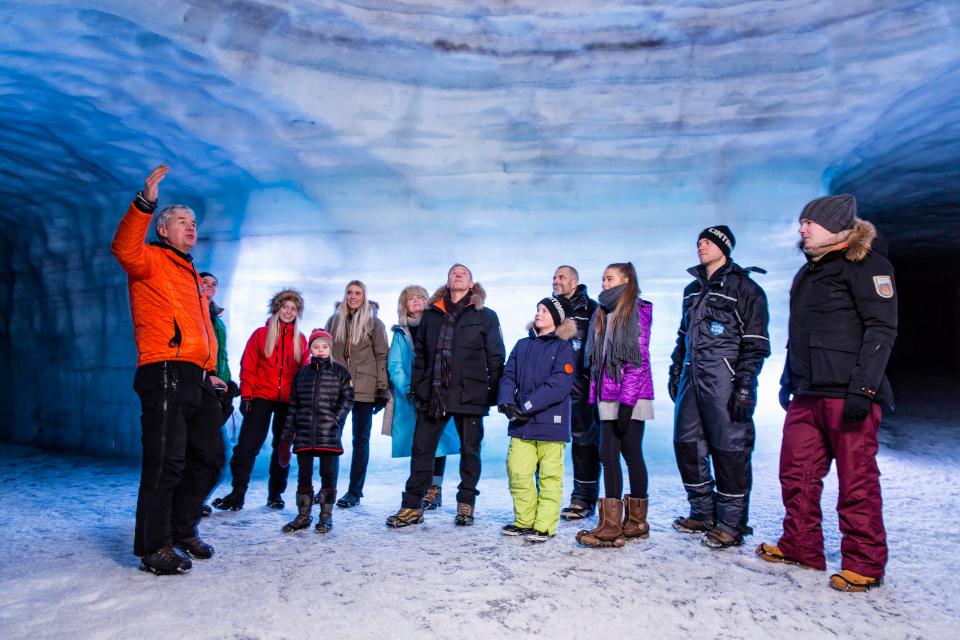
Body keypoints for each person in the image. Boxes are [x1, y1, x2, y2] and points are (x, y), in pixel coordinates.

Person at [757, 195, 897, 593]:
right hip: (808, 392)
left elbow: (881, 329)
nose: (802, 229)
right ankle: (801, 546)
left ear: (836, 227)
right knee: (796, 474)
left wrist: (864, 387)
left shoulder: (867, 266)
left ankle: (865, 563)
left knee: (857, 481)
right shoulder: (809, 273)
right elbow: (799, 335)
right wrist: (788, 378)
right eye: (802, 222)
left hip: (848, 393)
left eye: (809, 223)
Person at [112, 164, 224, 575]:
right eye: (181, 221)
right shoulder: (151, 259)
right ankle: (154, 546)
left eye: (193, 222)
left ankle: (181, 527)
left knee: (209, 457)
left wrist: (211, 368)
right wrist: (146, 202)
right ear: (163, 229)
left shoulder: (190, 272)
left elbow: (201, 329)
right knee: (166, 461)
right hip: (163, 370)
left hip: (196, 376)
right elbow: (123, 247)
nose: (190, 227)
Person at [668, 226, 771, 549]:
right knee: (687, 445)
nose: (701, 246)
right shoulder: (691, 290)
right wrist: (675, 371)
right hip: (692, 379)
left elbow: (755, 344)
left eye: (708, 242)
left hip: (724, 381)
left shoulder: (746, 289)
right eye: (698, 241)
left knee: (730, 449)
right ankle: (702, 512)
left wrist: (745, 385)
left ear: (725, 247)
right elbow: (682, 337)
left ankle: (731, 523)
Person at [387, 264, 505, 528]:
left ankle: (466, 504)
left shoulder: (485, 315)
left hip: (470, 394)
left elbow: (496, 356)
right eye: (454, 272)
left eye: (463, 273)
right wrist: (418, 391)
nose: (458, 275)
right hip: (434, 394)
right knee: (422, 450)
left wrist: (493, 393)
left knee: (470, 451)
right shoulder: (432, 315)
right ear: (448, 281)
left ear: (472, 284)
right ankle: (412, 506)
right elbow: (421, 356)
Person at [576, 263, 654, 548]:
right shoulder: (602, 312)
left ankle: (635, 522)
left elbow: (638, 359)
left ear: (626, 279)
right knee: (608, 455)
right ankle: (612, 523)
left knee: (631, 453)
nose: (605, 283)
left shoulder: (639, 309)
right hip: (607, 394)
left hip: (630, 395)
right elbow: (597, 360)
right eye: (603, 279)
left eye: (610, 278)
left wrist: (626, 403)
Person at [212, 289, 308, 511]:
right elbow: (248, 366)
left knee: (282, 447)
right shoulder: (260, 335)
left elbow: (303, 372)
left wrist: (301, 402)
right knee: (247, 447)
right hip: (261, 397)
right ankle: (237, 493)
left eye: (293, 309)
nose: (288, 312)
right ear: (277, 308)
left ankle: (275, 495)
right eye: (285, 307)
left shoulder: (300, 340)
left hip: (288, 401)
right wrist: (247, 395)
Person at [498, 296, 576, 542]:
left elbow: (559, 384)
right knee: (518, 472)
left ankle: (544, 525)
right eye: (538, 309)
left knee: (549, 476)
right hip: (522, 423)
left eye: (544, 310)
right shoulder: (522, 345)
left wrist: (526, 406)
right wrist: (507, 403)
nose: (539, 313)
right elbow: (508, 375)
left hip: (551, 423)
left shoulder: (564, 347)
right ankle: (524, 520)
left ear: (557, 317)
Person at [382, 285, 460, 510]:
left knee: (440, 441)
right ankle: (420, 488)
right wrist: (409, 388)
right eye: (411, 298)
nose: (416, 300)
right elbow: (395, 365)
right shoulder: (400, 333)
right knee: (420, 444)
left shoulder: (439, 325)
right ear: (404, 305)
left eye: (420, 297)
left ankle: (435, 489)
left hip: (436, 392)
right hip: (410, 396)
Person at [277, 329, 354, 533]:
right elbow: (293, 406)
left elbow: (347, 399)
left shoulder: (340, 372)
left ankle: (325, 517)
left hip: (328, 434)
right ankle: (303, 515)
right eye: (316, 346)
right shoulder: (302, 374)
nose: (320, 350)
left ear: (330, 348)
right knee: (304, 475)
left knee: (328, 474)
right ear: (310, 349)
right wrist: (286, 437)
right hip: (303, 434)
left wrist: (335, 420)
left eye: (324, 346)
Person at [324, 280, 389, 508]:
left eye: (357, 293)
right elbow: (326, 354)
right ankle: (328, 488)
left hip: (365, 389)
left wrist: (382, 389)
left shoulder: (374, 324)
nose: (353, 297)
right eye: (349, 293)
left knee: (360, 440)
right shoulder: (334, 322)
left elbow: (382, 356)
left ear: (364, 296)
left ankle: (354, 492)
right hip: (338, 388)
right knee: (331, 438)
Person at [552, 266, 601, 520]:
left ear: (575, 281)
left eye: (561, 277)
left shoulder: (592, 308)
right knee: (546, 443)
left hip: (582, 388)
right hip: (552, 390)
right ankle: (545, 498)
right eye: (554, 277)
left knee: (585, 443)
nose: (556, 281)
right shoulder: (550, 307)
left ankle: (583, 499)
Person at [198, 271, 239, 518]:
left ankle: (194, 499)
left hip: (217, 391)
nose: (210, 286)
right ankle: (190, 500)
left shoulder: (217, 320)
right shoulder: (194, 313)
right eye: (205, 283)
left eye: (214, 283)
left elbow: (220, 355)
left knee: (212, 451)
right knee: (208, 452)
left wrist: (228, 381)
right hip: (201, 388)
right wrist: (207, 377)